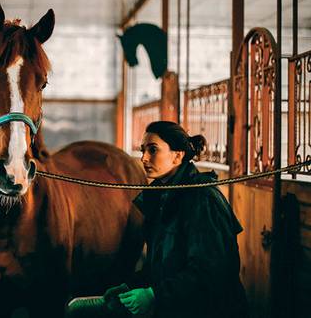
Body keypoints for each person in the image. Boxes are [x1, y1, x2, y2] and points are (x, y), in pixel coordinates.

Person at [105, 120, 248, 318]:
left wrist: (156, 295)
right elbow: (162, 266)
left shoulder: (202, 198)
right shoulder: (161, 196)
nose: (144, 158)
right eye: (143, 150)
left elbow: (212, 271)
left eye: (153, 150)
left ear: (177, 156)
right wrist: (131, 286)